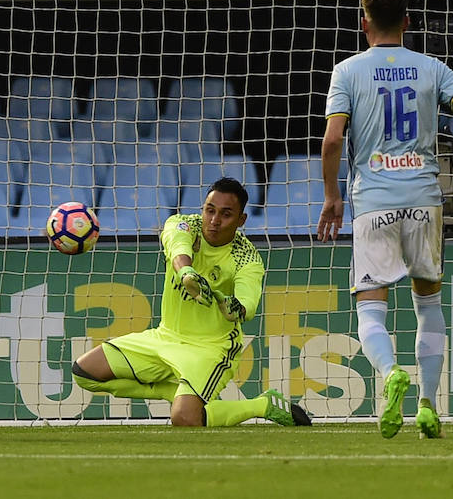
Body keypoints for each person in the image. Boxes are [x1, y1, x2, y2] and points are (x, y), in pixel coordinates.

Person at [317, 0, 453, 439]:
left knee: (370, 309)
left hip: (373, 202)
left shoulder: (347, 71)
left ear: (363, 23)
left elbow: (334, 139)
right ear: (407, 22)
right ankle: (429, 406)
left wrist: (331, 196)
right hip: (424, 200)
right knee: (429, 304)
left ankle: (389, 373)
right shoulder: (431, 68)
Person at [72, 177, 310, 427]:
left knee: (185, 419)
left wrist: (229, 305)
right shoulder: (183, 224)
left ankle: (261, 405)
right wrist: (187, 273)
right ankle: (170, 392)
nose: (214, 221)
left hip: (210, 347)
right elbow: (178, 247)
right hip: (165, 337)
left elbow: (246, 307)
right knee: (84, 372)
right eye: (210, 211)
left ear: (241, 221)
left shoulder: (247, 258)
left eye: (226, 214)